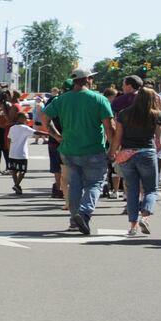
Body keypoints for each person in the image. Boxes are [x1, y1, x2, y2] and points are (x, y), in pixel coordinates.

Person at [41, 68, 116, 236]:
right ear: (88, 79)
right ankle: (84, 213)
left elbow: (44, 118)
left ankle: (74, 221)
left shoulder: (61, 99)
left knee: (74, 185)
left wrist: (56, 135)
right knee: (95, 184)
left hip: (69, 150)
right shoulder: (99, 99)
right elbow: (109, 128)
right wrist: (112, 149)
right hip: (94, 150)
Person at [115, 86, 161, 236]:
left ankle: (133, 227)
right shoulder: (154, 114)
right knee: (150, 189)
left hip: (127, 154)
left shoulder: (124, 114)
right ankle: (145, 217)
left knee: (132, 191)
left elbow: (118, 136)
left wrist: (112, 151)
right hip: (147, 153)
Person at [6, 112, 38, 196]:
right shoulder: (25, 128)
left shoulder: (12, 128)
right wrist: (50, 134)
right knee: (22, 171)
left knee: (14, 170)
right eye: (25, 118)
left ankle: (17, 186)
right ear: (20, 118)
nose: (27, 120)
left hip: (12, 153)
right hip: (22, 153)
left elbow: (8, 139)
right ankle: (17, 185)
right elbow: (36, 133)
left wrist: (9, 149)